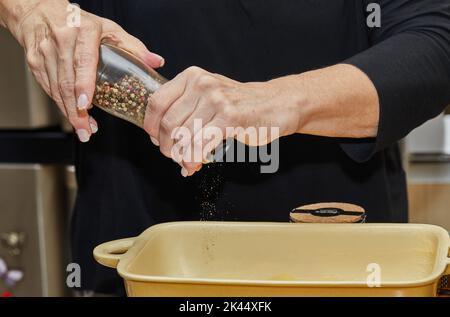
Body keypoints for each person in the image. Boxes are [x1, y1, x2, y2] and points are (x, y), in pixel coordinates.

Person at [0, 0, 449, 295]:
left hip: (339, 268)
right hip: (134, 260)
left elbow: (436, 42)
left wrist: (272, 101)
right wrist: (36, 12)